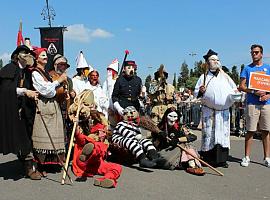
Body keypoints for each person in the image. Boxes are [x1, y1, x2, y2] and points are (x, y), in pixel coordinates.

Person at [0, 45, 41, 180]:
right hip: (11, 111)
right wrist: (24, 91)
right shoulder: (9, 69)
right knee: (19, 138)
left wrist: (33, 94)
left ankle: (30, 166)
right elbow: (5, 90)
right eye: (25, 53)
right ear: (18, 56)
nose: (28, 56)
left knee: (27, 138)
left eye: (29, 53)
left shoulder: (27, 72)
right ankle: (29, 168)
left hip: (25, 111)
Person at [194, 49, 239, 168]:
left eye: (217, 60)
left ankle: (222, 160)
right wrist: (200, 91)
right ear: (208, 63)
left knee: (222, 135)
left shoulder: (226, 76)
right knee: (209, 135)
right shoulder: (203, 77)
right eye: (213, 60)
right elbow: (196, 93)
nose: (216, 61)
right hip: (209, 111)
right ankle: (208, 159)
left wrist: (236, 95)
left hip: (223, 112)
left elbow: (234, 89)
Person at [31, 47, 67, 176]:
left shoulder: (45, 72)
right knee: (44, 135)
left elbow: (51, 90)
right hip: (44, 105)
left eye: (46, 56)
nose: (46, 57)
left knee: (54, 135)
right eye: (43, 56)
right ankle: (41, 166)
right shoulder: (35, 73)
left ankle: (52, 165)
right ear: (36, 59)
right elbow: (46, 91)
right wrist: (59, 81)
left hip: (53, 105)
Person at [239, 44, 270, 167]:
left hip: (266, 104)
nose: (254, 54)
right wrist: (253, 92)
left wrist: (268, 95)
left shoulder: (268, 68)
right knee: (250, 130)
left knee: (266, 131)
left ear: (261, 54)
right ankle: (246, 157)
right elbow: (242, 86)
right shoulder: (247, 69)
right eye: (252, 52)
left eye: (256, 52)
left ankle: (267, 157)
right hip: (252, 103)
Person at [153, 107, 205, 175]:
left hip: (180, 149)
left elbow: (193, 136)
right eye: (170, 116)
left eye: (175, 117)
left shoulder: (181, 127)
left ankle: (193, 166)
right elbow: (155, 144)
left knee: (186, 145)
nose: (172, 119)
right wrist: (160, 137)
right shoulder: (159, 127)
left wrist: (178, 140)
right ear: (166, 116)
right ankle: (184, 164)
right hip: (166, 151)